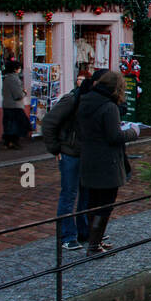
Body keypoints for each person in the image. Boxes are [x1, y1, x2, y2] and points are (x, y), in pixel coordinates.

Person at [76, 70, 139, 256]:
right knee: (105, 204)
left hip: (89, 158)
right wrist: (133, 132)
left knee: (93, 202)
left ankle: (93, 241)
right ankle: (94, 245)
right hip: (107, 162)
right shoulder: (109, 107)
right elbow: (114, 136)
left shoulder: (85, 101)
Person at [41, 70, 92, 252]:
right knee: (69, 195)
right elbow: (48, 123)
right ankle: (67, 235)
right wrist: (56, 148)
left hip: (85, 154)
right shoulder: (70, 100)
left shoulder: (89, 101)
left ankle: (84, 230)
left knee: (86, 194)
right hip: (69, 154)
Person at [1, 58, 30, 149]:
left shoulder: (7, 79)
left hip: (7, 105)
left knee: (10, 125)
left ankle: (8, 142)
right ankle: (13, 142)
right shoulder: (14, 79)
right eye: (19, 68)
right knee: (18, 125)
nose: (20, 69)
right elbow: (17, 95)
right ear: (15, 69)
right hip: (15, 106)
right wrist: (24, 92)